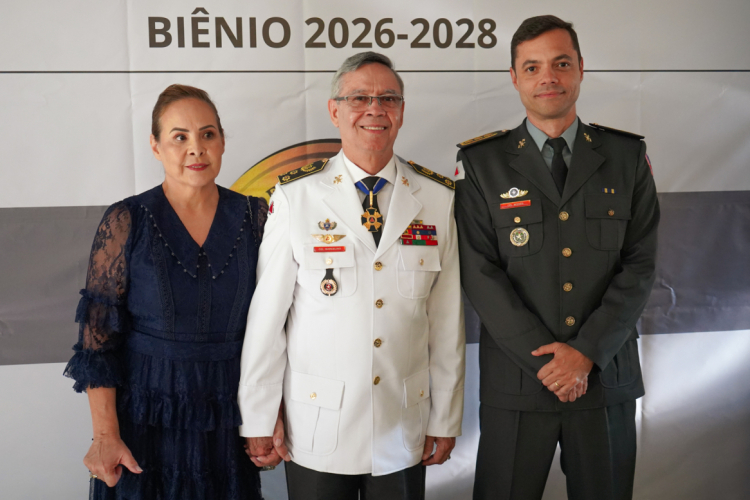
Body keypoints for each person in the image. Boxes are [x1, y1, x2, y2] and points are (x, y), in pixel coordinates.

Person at [237, 52, 465, 500]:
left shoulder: (437, 198)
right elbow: (268, 320)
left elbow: (446, 321)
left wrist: (445, 417)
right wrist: (259, 417)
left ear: (401, 112)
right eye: (359, 98)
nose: (375, 109)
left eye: (388, 99)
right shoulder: (296, 196)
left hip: (402, 423)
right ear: (334, 110)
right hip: (318, 425)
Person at [455, 15, 659, 500]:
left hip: (603, 377)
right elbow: (479, 272)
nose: (548, 77)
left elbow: (639, 264)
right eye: (532, 67)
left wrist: (584, 354)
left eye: (561, 63)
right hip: (518, 383)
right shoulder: (481, 163)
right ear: (514, 77)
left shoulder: (626, 156)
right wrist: (550, 364)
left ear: (580, 69)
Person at [64, 84, 269, 499]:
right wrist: (105, 435)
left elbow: (280, 328)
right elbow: (97, 342)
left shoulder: (257, 216)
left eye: (208, 134)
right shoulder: (127, 220)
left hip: (228, 417)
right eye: (180, 137)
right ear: (156, 146)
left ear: (222, 142)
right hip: (144, 419)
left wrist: (270, 416)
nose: (196, 148)